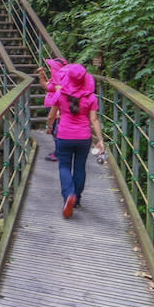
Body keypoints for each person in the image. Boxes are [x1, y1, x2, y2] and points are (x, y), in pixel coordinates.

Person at [44, 63, 104, 219]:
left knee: (64, 166)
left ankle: (69, 195)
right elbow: (94, 119)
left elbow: (51, 116)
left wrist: (49, 127)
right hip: (84, 137)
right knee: (79, 167)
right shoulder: (91, 97)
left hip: (64, 135)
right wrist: (100, 140)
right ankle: (76, 200)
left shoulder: (60, 95)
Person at [36, 57, 68, 162]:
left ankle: (59, 154)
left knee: (56, 131)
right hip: (51, 106)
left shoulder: (60, 80)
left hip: (55, 107)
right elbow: (46, 86)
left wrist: (58, 110)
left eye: (52, 67)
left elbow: (60, 95)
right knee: (56, 130)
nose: (50, 69)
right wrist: (41, 74)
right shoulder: (55, 78)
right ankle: (58, 151)